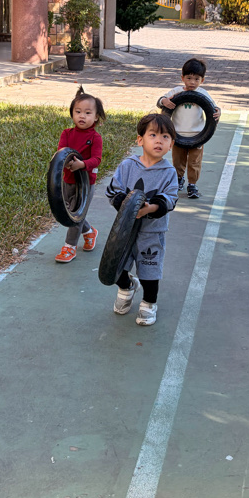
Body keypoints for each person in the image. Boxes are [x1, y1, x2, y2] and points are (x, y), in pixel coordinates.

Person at [105, 113, 179, 326]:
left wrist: (150, 208)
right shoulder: (128, 165)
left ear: (171, 145)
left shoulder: (169, 172)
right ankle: (127, 287)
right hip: (124, 230)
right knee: (117, 265)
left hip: (152, 232)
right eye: (153, 135)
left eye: (165, 137)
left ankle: (149, 302)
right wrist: (126, 206)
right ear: (140, 140)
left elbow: (170, 199)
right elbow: (113, 191)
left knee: (149, 270)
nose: (159, 141)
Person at [54, 86, 106, 263]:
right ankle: (90, 231)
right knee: (71, 212)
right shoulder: (67, 134)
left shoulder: (95, 138)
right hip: (68, 180)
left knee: (76, 215)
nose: (82, 116)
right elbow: (61, 152)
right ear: (72, 114)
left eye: (87, 113)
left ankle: (69, 247)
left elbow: (96, 159)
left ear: (96, 116)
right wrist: (68, 163)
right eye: (78, 112)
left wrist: (82, 164)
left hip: (85, 184)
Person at [158, 57, 222, 200]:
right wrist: (164, 101)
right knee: (178, 160)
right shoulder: (176, 92)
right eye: (189, 78)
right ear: (182, 78)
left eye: (196, 79)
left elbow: (213, 108)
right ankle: (178, 179)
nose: (192, 82)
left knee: (194, 162)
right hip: (177, 134)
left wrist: (218, 112)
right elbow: (161, 101)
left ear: (202, 80)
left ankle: (192, 184)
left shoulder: (203, 94)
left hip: (198, 135)